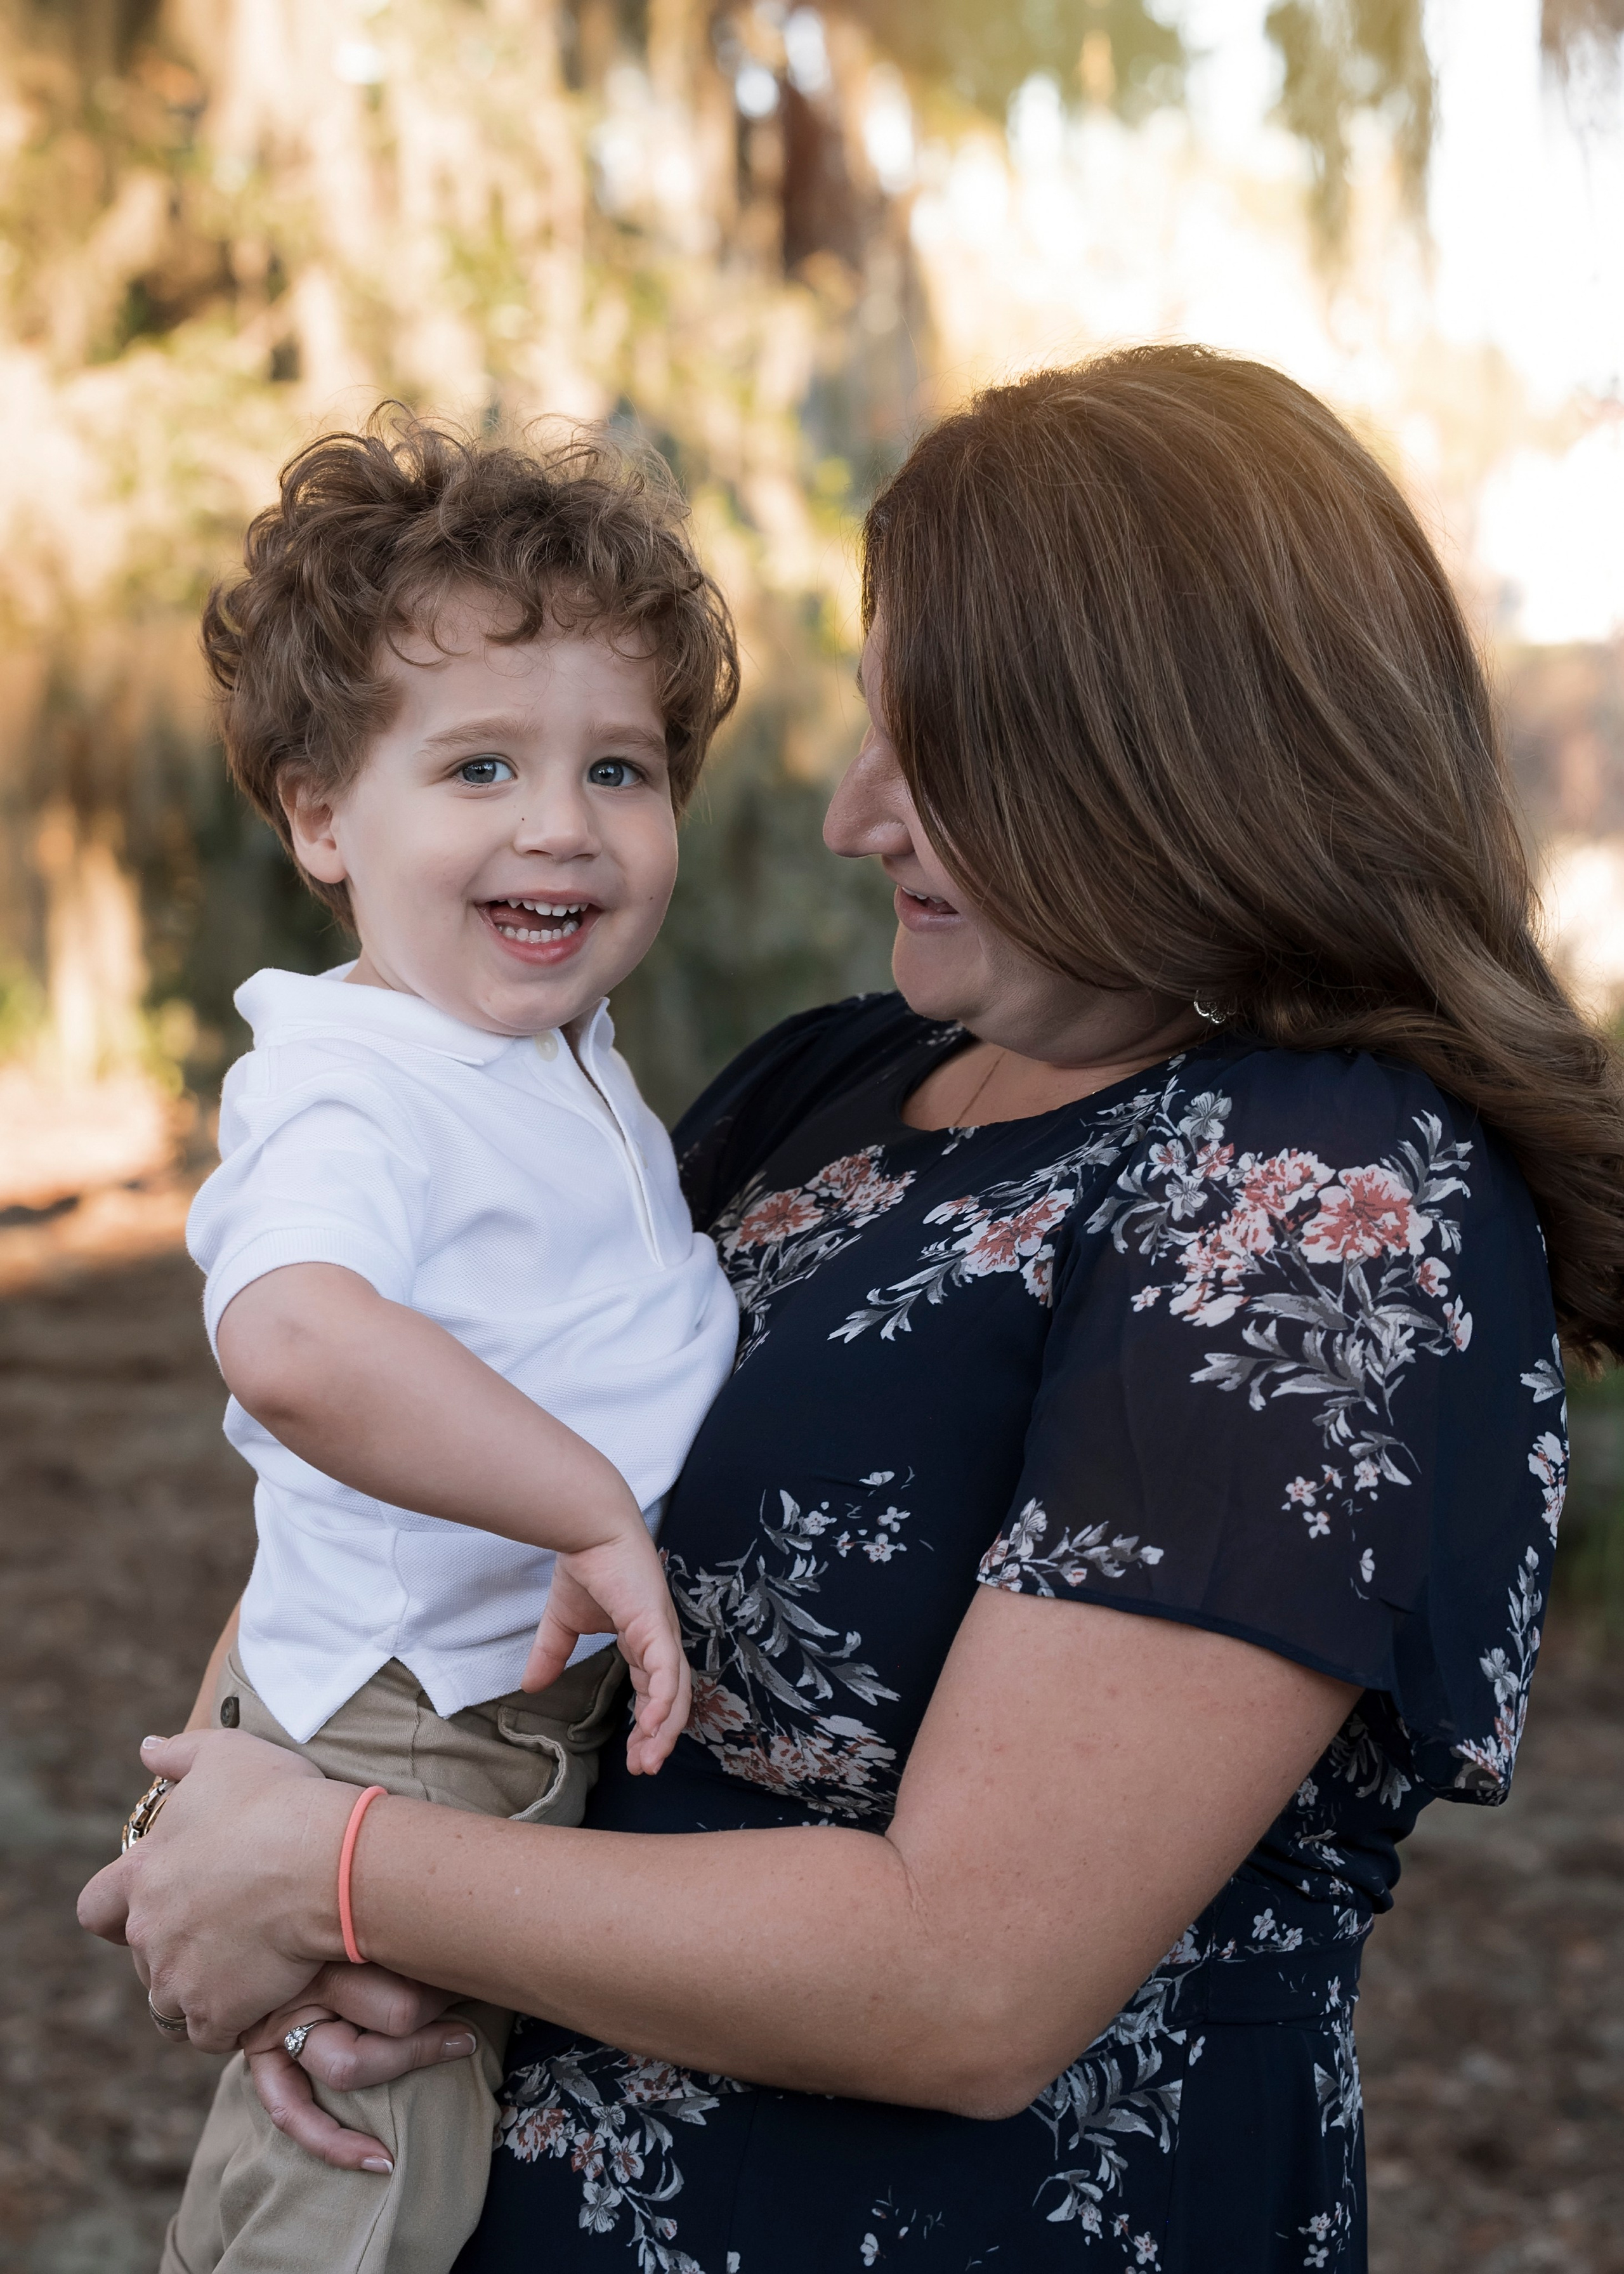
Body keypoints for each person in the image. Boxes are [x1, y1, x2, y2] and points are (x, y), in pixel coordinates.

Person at [82, 346, 1624, 2274]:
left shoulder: (1310, 1205)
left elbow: (968, 1979)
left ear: (1162, 757)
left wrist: (349, 1877)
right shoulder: (825, 1091)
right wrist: (251, 1813)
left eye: (930, 748)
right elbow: (412, 1444)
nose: (845, 815)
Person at [146, 416, 743, 2273]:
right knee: (364, 2189)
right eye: (480, 764)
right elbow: (296, 1345)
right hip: (422, 1736)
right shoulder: (356, 1089)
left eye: (619, 771)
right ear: (324, 816)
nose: (560, 822)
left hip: (447, 1704)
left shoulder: (533, 1052)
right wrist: (587, 1505)